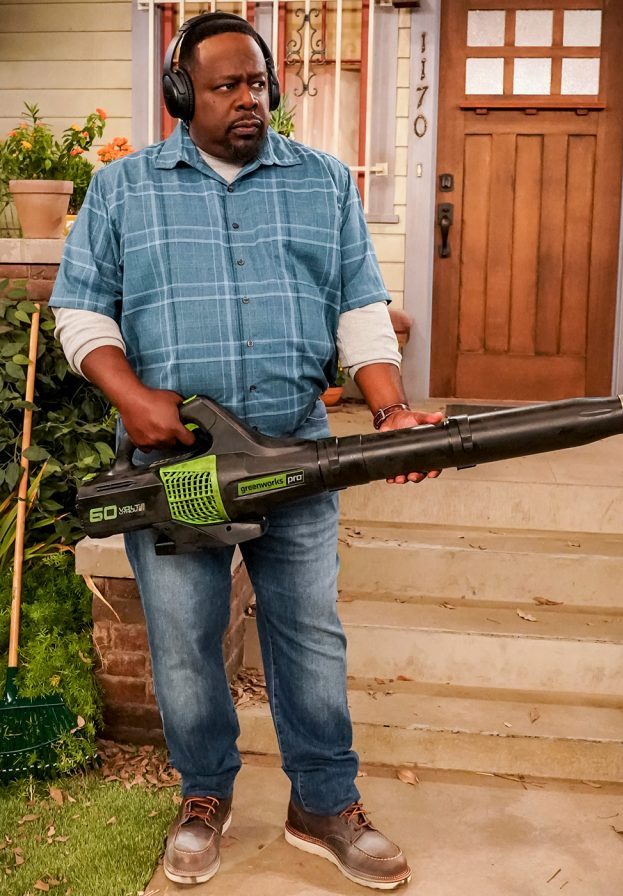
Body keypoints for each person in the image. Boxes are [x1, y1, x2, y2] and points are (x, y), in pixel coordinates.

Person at [50, 12, 441, 890]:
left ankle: (324, 803)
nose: (248, 100)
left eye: (258, 84)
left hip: (294, 452)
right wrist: (134, 399)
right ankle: (204, 796)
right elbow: (80, 309)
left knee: (310, 635)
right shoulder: (122, 190)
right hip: (180, 471)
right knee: (186, 642)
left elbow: (359, 309)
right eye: (226, 86)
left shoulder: (322, 182)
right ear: (181, 94)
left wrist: (389, 412)